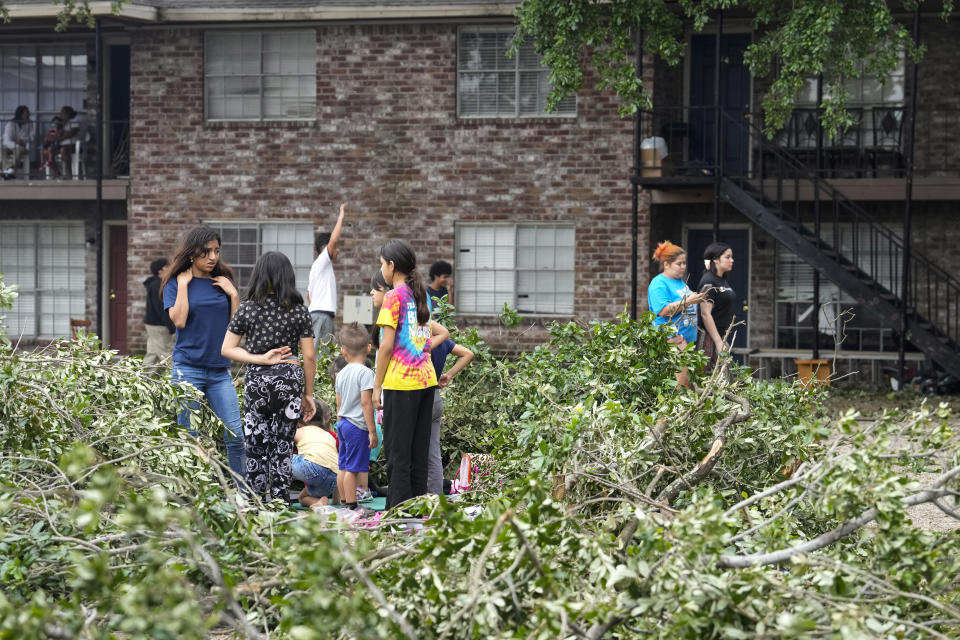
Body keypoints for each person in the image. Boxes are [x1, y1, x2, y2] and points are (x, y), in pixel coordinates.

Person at [222, 251, 317, 502]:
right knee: (282, 445)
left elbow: (227, 348)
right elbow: (309, 356)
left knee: (256, 445)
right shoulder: (299, 311)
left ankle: (255, 501)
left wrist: (260, 359)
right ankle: (279, 500)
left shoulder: (248, 309)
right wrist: (308, 394)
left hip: (256, 384)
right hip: (289, 382)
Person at [162, 226, 246, 486]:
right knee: (190, 436)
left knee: (236, 435)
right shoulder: (175, 284)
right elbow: (179, 320)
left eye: (216, 251)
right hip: (188, 369)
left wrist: (233, 295)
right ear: (191, 254)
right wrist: (185, 286)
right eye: (206, 252)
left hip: (220, 371)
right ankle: (199, 492)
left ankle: (243, 494)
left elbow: (236, 330)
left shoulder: (222, 283)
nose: (213, 257)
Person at [373, 240, 449, 509]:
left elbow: (385, 347)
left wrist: (375, 387)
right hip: (426, 381)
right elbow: (425, 339)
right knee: (418, 451)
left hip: (401, 383)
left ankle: (397, 511)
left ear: (392, 266)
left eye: (382, 264)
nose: (381, 268)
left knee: (398, 453)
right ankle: (416, 510)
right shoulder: (421, 295)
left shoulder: (394, 297)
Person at [647, 240, 708, 390]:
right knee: (681, 388)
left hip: (686, 342)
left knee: (690, 385)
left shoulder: (680, 283)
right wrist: (689, 301)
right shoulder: (659, 283)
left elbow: (684, 302)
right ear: (666, 264)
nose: (683, 267)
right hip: (673, 342)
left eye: (684, 263)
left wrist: (695, 298)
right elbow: (664, 310)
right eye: (679, 264)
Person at [333, 323, 378, 512]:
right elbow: (367, 403)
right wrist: (372, 431)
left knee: (343, 466)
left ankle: (344, 501)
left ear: (343, 351)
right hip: (357, 426)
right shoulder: (367, 373)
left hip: (342, 423)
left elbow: (338, 403)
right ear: (368, 349)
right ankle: (352, 506)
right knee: (352, 468)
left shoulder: (341, 373)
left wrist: (339, 423)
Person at [427, 337, 474, 495]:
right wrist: (449, 374)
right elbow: (468, 353)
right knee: (433, 452)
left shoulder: (420, 340)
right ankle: (435, 497)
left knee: (414, 451)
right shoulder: (444, 342)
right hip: (436, 397)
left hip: (420, 397)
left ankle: (416, 495)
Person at [307, 203, 346, 349]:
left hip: (319, 315)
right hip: (322, 316)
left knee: (322, 355)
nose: (338, 251)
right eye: (336, 249)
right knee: (322, 357)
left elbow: (308, 295)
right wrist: (341, 216)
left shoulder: (318, 268)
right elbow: (333, 241)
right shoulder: (323, 261)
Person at [291, 399, 339, 509]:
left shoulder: (301, 431)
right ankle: (319, 502)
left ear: (300, 421)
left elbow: (281, 442)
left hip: (314, 470)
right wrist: (337, 500)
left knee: (281, 457)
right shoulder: (329, 435)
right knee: (302, 498)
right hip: (332, 481)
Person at [697, 242, 738, 372]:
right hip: (707, 339)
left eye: (732, 257)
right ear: (715, 260)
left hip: (719, 336)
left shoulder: (722, 280)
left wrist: (722, 340)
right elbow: (705, 314)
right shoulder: (709, 281)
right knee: (700, 378)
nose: (732, 260)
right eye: (727, 257)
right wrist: (718, 341)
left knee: (725, 379)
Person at [143, 258, 176, 373]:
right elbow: (162, 309)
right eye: (167, 266)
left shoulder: (154, 283)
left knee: (153, 353)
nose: (170, 268)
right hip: (159, 325)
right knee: (167, 353)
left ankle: (143, 379)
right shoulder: (158, 285)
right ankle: (178, 379)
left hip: (152, 323)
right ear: (160, 270)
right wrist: (171, 327)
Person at [2, 106, 33, 179]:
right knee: (2, 151)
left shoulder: (30, 123)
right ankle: (9, 171)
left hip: (22, 146)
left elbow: (32, 136)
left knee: (18, 152)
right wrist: (16, 145)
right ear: (20, 114)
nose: (29, 115)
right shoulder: (11, 124)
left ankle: (8, 171)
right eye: (26, 113)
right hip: (10, 146)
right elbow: (7, 140)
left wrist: (22, 140)